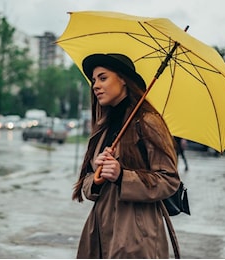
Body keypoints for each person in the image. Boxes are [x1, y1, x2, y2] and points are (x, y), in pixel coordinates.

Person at [73, 53, 180, 258]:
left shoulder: (147, 122)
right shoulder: (103, 127)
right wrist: (96, 179)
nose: (95, 85)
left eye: (103, 78)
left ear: (123, 79)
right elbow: (87, 183)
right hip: (100, 230)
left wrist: (122, 176)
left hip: (135, 235)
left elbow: (169, 180)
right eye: (94, 80)